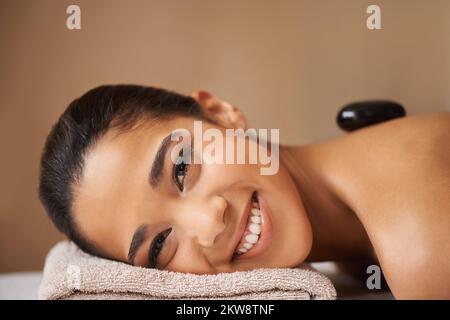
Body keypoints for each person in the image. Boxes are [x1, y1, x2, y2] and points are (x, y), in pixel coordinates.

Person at [38, 84, 450, 299]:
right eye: (161, 245)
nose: (208, 224)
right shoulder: (355, 256)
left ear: (221, 114)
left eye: (182, 167)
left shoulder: (418, 252)